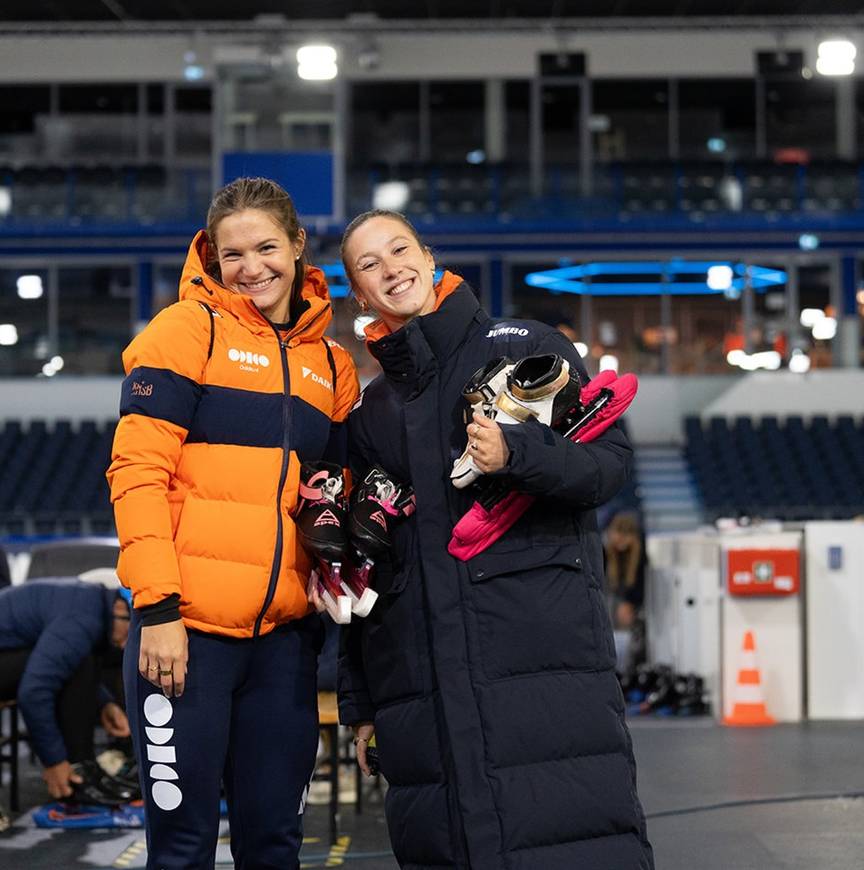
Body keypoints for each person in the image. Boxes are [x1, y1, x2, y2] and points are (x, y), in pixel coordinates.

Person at [334, 210, 654, 870]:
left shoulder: (525, 346)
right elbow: (364, 569)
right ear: (359, 294)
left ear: (429, 255)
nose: (390, 267)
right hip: (419, 689)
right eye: (369, 264)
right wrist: (362, 702)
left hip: (540, 662)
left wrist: (517, 451)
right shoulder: (369, 415)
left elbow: (609, 466)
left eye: (399, 249)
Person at [107, 177, 359, 869]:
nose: (252, 269)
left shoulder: (331, 365)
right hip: (183, 640)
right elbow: (136, 476)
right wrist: (156, 608)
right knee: (183, 850)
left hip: (284, 646)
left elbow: (328, 497)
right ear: (211, 256)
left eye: (267, 247)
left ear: (300, 245)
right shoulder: (184, 330)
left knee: (274, 846)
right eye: (233, 254)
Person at [0, 579, 134, 802]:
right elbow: (33, 692)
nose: (126, 645)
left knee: (80, 659)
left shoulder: (90, 604)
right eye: (131, 633)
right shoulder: (82, 619)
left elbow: (60, 659)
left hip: (10, 649)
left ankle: (82, 768)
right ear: (120, 609)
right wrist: (54, 761)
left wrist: (104, 703)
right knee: (80, 662)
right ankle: (76, 773)